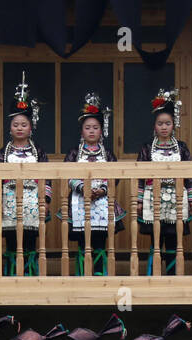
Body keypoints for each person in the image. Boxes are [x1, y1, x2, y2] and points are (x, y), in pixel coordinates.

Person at [0, 74, 50, 276]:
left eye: (24, 124)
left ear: (30, 127)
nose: (19, 128)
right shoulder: (3, 152)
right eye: (15, 124)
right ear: (10, 127)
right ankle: (10, 274)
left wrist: (45, 199)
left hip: (32, 201)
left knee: (30, 239)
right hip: (9, 200)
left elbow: (46, 176)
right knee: (11, 240)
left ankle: (29, 274)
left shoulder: (39, 152)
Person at [137, 88, 192, 276]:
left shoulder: (182, 148)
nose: (164, 127)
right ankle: (153, 278)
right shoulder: (146, 148)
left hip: (177, 199)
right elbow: (139, 174)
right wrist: (138, 199)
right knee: (155, 240)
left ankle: (172, 277)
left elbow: (190, 174)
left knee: (173, 239)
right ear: (155, 125)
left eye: (167, 123)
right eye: (160, 123)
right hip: (153, 199)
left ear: (173, 125)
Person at [65, 93, 120, 276]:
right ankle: (83, 274)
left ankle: (100, 275)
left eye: (95, 127)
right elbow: (67, 174)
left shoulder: (108, 153)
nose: (91, 131)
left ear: (101, 130)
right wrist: (83, 188)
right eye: (87, 127)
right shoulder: (74, 153)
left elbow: (115, 176)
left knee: (100, 241)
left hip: (103, 201)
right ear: (82, 130)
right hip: (80, 200)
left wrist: (103, 190)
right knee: (83, 241)